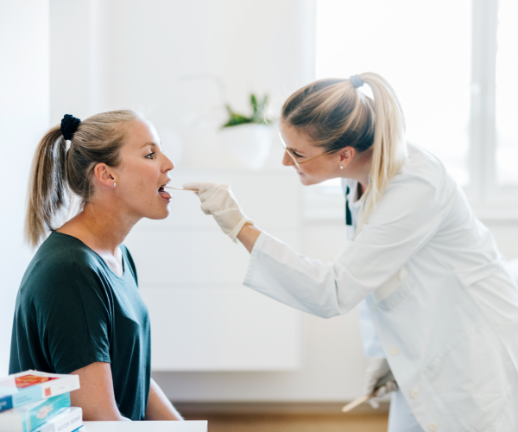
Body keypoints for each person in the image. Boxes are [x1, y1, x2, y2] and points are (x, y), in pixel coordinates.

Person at [185, 73, 518, 431]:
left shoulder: (415, 183)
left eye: (296, 153)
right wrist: (385, 353)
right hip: (425, 346)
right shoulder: (358, 175)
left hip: (471, 350)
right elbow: (373, 274)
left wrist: (241, 227)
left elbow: (335, 290)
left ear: (344, 154)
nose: (285, 162)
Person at [10, 111, 183, 421]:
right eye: (150, 154)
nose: (168, 164)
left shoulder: (118, 256)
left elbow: (133, 376)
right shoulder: (71, 271)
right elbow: (100, 420)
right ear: (107, 175)